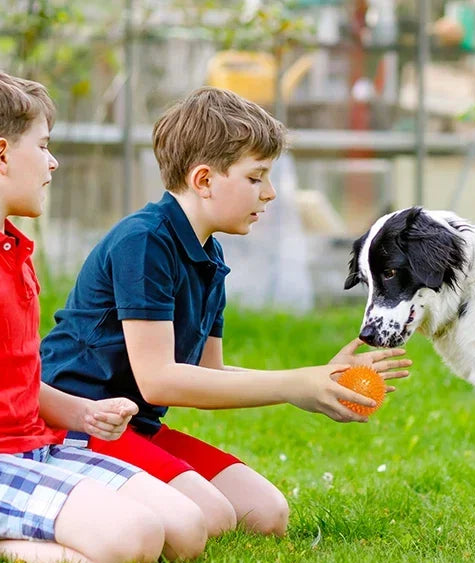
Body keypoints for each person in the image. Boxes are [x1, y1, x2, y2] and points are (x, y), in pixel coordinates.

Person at [40, 86, 410, 538]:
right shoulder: (145, 242)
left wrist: (312, 379)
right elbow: (159, 378)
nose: (270, 193)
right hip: (75, 424)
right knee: (211, 518)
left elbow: (207, 373)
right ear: (204, 180)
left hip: (136, 427)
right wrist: (294, 384)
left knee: (266, 513)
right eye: (256, 178)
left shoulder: (209, 255)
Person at [0, 66, 209, 563]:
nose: (53, 162)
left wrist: (80, 414)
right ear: (2, 154)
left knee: (188, 529)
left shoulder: (9, 248)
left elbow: (6, 377)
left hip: (34, 449)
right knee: (134, 541)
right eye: (43, 145)